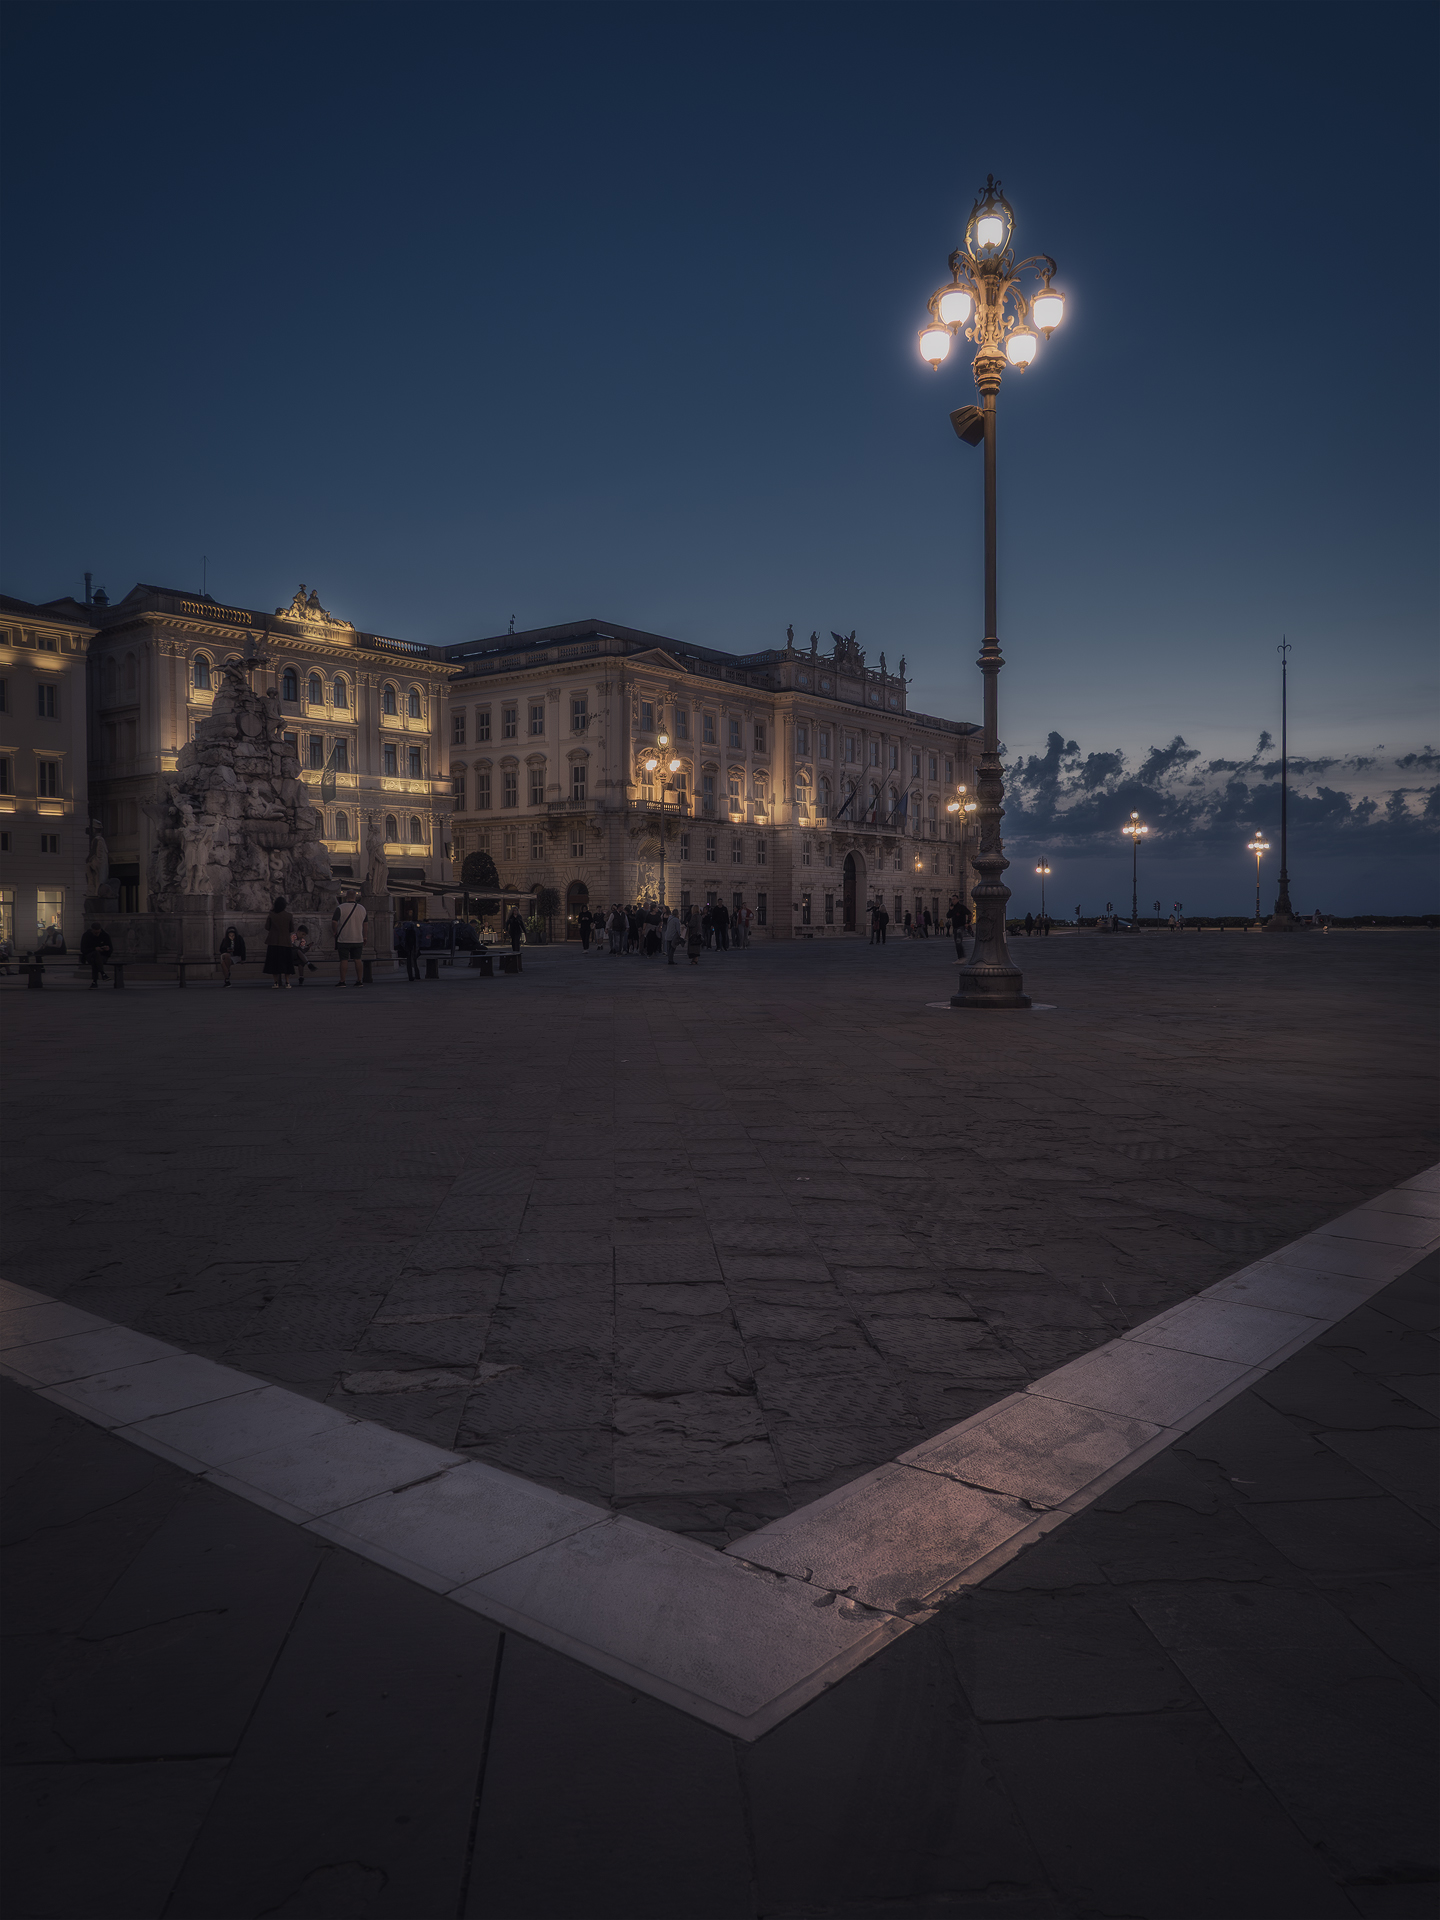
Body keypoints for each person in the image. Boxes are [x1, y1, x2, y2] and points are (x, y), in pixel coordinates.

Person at [332, 889, 367, 987]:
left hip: (344, 938)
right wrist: (365, 936)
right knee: (358, 959)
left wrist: (335, 931)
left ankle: (342, 981)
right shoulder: (362, 909)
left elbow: (334, 921)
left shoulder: (340, 908)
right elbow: (365, 924)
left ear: (346, 896)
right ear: (355, 897)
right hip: (358, 938)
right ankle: (359, 980)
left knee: (344, 960)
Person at [263, 897, 296, 989]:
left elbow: (267, 927)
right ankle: (287, 982)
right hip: (285, 942)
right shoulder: (289, 915)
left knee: (274, 963)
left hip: (273, 941)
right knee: (287, 963)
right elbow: (292, 929)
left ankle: (276, 982)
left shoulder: (271, 915)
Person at [80, 921, 112, 988]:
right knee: (95, 955)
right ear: (92, 930)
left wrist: (107, 949)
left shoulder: (105, 935)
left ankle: (95, 981)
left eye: (98, 932)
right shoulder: (86, 935)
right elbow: (83, 949)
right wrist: (94, 949)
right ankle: (102, 973)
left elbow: (110, 948)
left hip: (102, 956)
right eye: (95, 933)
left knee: (95, 960)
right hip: (89, 955)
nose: (97, 934)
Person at [398, 915, 420, 981]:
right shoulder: (415, 930)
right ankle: (417, 975)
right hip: (414, 948)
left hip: (409, 949)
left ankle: (411, 976)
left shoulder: (406, 931)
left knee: (409, 963)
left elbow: (403, 940)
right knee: (414, 963)